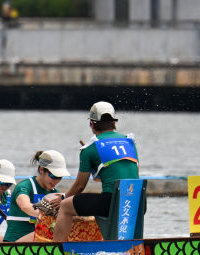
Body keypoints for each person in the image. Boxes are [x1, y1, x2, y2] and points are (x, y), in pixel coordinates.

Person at [50, 101, 139, 243]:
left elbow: (80, 186)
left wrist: (63, 198)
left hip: (111, 202)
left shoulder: (89, 148)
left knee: (66, 206)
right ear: (114, 123)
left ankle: (56, 250)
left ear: (92, 124)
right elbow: (127, 173)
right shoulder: (129, 142)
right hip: (138, 201)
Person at [4, 150, 70, 242]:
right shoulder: (25, 186)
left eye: (60, 177)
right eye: (53, 176)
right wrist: (50, 214)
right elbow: (25, 206)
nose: (56, 181)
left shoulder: (56, 194)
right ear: (41, 169)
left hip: (39, 242)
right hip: (14, 243)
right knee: (48, 233)